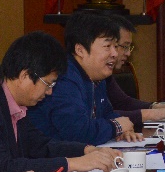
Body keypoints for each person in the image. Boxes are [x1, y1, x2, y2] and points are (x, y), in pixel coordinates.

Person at [0, 31, 125, 172]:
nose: (49, 92)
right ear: (25, 76)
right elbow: (3, 168)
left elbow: (41, 146)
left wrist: (87, 150)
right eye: (48, 84)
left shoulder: (17, 106)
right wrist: (73, 164)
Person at [27, 12, 143, 146]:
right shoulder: (63, 77)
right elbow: (78, 132)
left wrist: (123, 128)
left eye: (116, 46)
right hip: (48, 156)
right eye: (107, 46)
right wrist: (116, 126)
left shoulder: (97, 77)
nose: (115, 54)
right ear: (80, 50)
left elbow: (106, 114)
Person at [109, 15, 165, 127]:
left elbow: (122, 102)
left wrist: (156, 107)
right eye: (125, 47)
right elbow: (103, 116)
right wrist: (150, 114)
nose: (128, 53)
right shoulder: (88, 77)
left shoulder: (105, 76)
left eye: (129, 47)